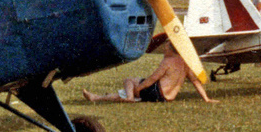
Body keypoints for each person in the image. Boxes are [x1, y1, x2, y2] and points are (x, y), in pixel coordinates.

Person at [83, 45, 217, 104]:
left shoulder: (168, 61)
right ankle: (96, 97)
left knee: (129, 81)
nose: (164, 49)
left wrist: (139, 89)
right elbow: (195, 81)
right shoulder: (185, 64)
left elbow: (153, 78)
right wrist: (206, 98)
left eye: (166, 47)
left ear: (171, 50)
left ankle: (129, 97)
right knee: (126, 92)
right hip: (168, 98)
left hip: (157, 93)